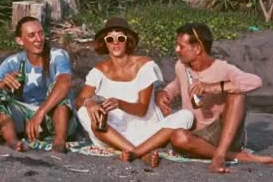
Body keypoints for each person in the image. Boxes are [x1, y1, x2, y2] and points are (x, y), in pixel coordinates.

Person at [156, 22, 273, 173]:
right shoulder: (181, 66)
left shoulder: (223, 68)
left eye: (181, 46)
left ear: (197, 48)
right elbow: (177, 83)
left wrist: (216, 87)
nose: (176, 50)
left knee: (237, 94)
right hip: (195, 135)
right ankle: (239, 156)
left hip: (224, 134)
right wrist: (166, 93)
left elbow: (255, 81)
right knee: (178, 137)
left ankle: (220, 155)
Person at [76, 17, 194, 166]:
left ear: (128, 40)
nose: (115, 42)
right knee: (83, 112)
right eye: (110, 39)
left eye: (120, 38)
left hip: (148, 131)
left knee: (186, 116)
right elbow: (79, 99)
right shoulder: (98, 71)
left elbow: (141, 109)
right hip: (112, 133)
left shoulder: (145, 65)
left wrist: (120, 103)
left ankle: (134, 151)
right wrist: (89, 102)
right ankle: (141, 152)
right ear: (105, 43)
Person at [0, 16, 77, 153]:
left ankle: (59, 142)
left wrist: (40, 113)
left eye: (41, 33)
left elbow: (64, 83)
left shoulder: (58, 55)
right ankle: (13, 142)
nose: (38, 39)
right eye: (31, 35)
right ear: (20, 41)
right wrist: (1, 84)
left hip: (56, 118)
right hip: (27, 119)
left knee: (58, 88)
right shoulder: (13, 62)